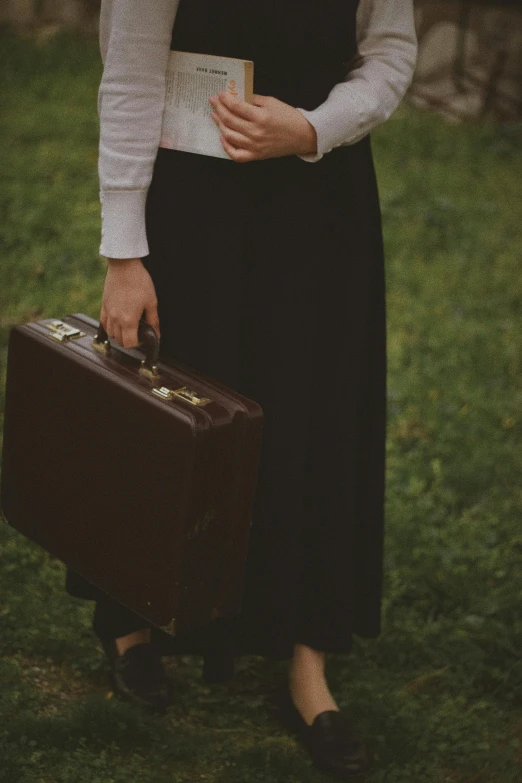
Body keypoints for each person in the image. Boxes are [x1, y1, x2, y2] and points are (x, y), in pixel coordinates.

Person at [66, 0, 417, 777]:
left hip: (320, 212)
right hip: (191, 207)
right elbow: (128, 75)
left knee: (314, 417)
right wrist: (124, 252)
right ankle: (130, 614)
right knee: (169, 414)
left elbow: (390, 55)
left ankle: (305, 660)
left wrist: (315, 129)